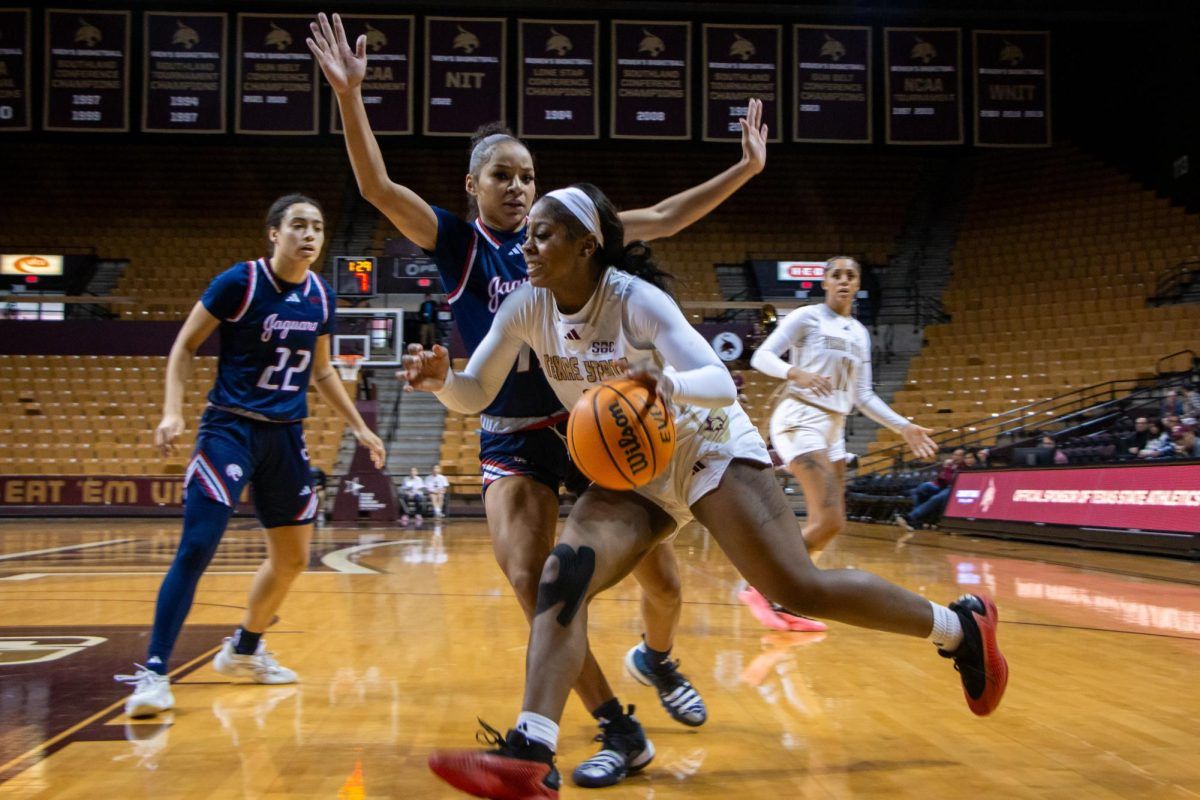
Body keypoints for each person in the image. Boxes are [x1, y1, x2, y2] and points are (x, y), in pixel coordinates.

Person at [406, 184, 1008, 799]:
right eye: (526, 232)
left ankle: (959, 628)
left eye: (542, 234)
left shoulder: (634, 300)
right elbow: (477, 390)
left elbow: (718, 380)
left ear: (587, 245)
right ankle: (531, 754)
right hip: (634, 470)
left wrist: (668, 384)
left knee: (794, 587)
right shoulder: (526, 306)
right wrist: (442, 383)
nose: (525, 245)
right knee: (564, 575)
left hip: (706, 445)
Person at [309, 12, 769, 784]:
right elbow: (376, 187)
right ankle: (615, 726)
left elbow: (665, 217)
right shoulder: (458, 243)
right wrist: (352, 97)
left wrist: (745, 171)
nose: (519, 185)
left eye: (526, 174)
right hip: (514, 425)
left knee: (661, 577)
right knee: (534, 580)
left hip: (593, 414)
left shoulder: (570, 232)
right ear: (473, 187)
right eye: (503, 175)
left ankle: (659, 658)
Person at [115, 194, 387, 719]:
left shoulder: (322, 296)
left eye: (318, 227)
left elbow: (323, 372)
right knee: (198, 546)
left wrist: (360, 429)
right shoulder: (239, 283)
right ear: (273, 233)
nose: (309, 234)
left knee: (291, 559)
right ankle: (152, 672)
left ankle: (243, 649)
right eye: (298, 225)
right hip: (230, 430)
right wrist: (172, 413)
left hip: (286, 436)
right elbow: (184, 346)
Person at [740, 257, 938, 631]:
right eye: (836, 275)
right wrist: (794, 371)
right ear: (825, 282)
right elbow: (761, 356)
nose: (844, 280)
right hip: (801, 416)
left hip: (836, 426)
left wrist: (904, 427)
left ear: (858, 283)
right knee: (828, 517)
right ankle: (765, 587)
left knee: (831, 525)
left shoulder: (859, 333)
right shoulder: (807, 316)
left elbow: (862, 395)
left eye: (851, 275)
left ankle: (773, 589)